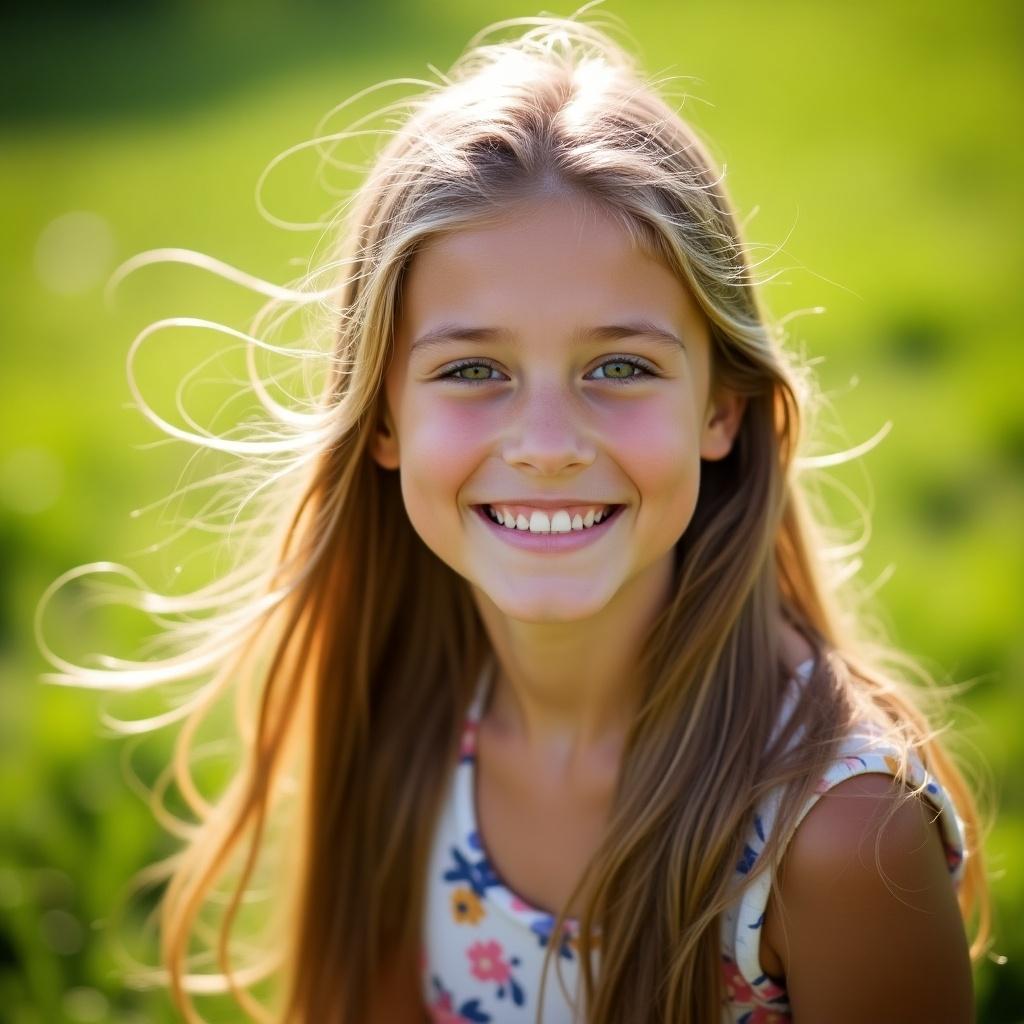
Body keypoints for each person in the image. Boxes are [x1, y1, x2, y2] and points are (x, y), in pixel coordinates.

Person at [37, 8, 991, 1024]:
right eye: (473, 369)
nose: (545, 442)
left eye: (619, 366)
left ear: (720, 408)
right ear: (384, 419)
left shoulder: (840, 833)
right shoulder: (403, 718)